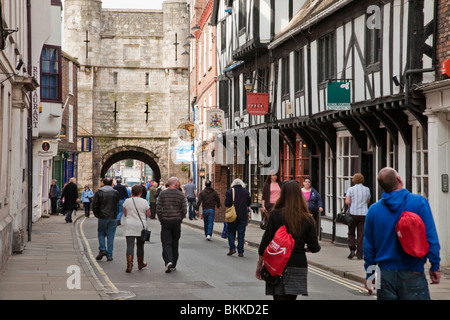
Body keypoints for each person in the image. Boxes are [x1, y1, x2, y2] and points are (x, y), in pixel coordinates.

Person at [363, 167, 440, 300]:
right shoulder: (419, 203)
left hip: (385, 274)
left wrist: (370, 276)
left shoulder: (373, 211)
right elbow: (430, 237)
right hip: (413, 271)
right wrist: (435, 266)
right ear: (399, 180)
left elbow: (369, 248)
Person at [256, 180, 321, 300]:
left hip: (277, 263)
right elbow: (314, 247)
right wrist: (300, 247)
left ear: (283, 194)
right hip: (297, 263)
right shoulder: (308, 219)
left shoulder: (275, 214)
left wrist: (259, 265)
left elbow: (265, 242)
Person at [156, 177, 187, 273]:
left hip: (166, 221)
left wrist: (162, 219)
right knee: (175, 242)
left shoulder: (162, 194)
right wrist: (180, 218)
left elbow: (159, 208)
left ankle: (168, 261)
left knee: (166, 242)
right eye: (178, 182)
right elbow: (184, 210)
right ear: (175, 184)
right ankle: (173, 263)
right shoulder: (180, 194)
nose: (179, 183)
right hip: (176, 221)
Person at [122, 185, 151, 273]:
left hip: (130, 224)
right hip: (141, 225)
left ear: (131, 192)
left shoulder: (127, 201)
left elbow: (125, 213)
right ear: (140, 193)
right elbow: (149, 214)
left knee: (130, 245)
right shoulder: (144, 201)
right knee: (140, 245)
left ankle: (129, 265)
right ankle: (140, 263)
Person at [92, 177, 120, 261]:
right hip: (112, 217)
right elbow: (117, 204)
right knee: (110, 236)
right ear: (112, 183)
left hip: (102, 216)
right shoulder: (115, 193)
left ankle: (103, 249)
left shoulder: (99, 192)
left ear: (103, 183)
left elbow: (94, 205)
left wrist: (97, 214)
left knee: (101, 233)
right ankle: (110, 255)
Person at [345, 173, 370, 260]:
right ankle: (360, 254)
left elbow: (347, 202)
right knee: (361, 235)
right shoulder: (367, 189)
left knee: (351, 233)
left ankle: (352, 250)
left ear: (354, 180)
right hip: (363, 214)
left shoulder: (350, 189)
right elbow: (367, 201)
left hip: (353, 213)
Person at [224, 179, 251, 257]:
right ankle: (240, 251)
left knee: (231, 232)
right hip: (242, 215)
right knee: (241, 234)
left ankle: (232, 248)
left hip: (232, 215)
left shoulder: (229, 191)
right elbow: (249, 203)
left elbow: (226, 203)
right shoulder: (246, 192)